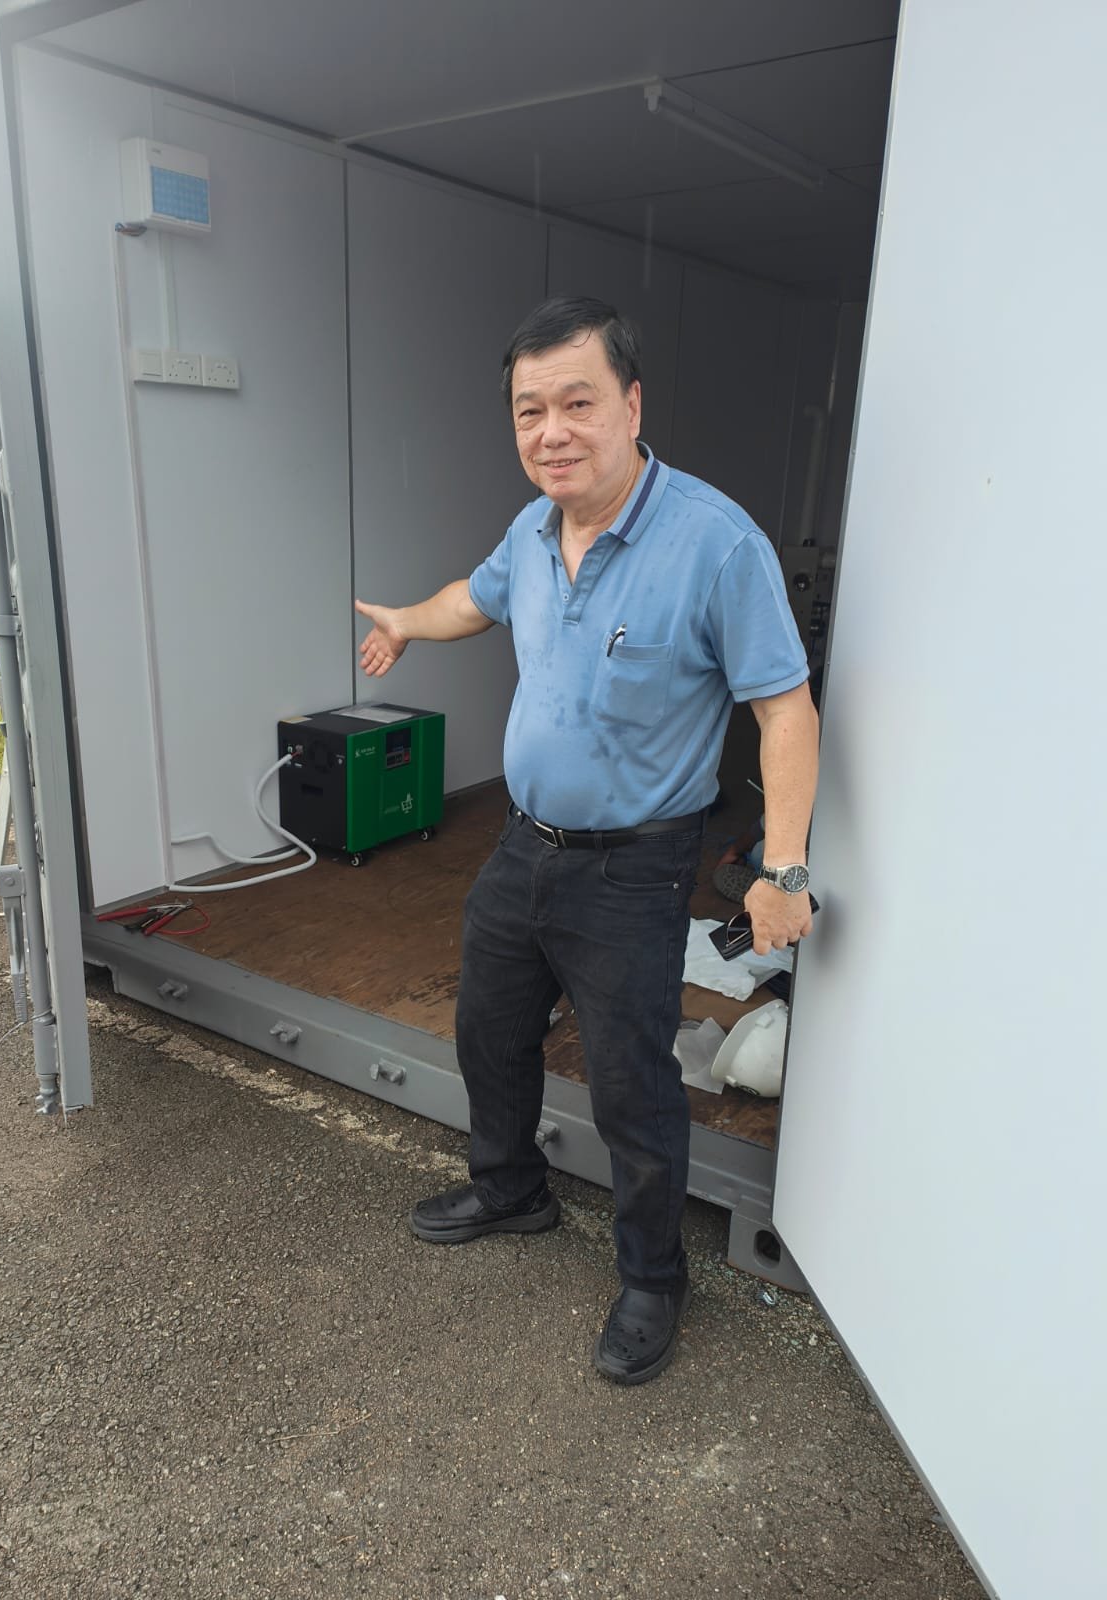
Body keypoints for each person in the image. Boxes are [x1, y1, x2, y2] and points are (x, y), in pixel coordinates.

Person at [354, 296, 818, 1385]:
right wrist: (409, 624)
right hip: (526, 847)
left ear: (632, 404)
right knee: (490, 1026)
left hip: (637, 863)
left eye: (577, 402)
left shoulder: (715, 543)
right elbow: (480, 596)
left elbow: (784, 708)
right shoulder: (535, 525)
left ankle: (654, 1277)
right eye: (530, 410)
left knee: (629, 1082)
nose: (551, 430)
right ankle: (510, 1188)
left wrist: (783, 866)